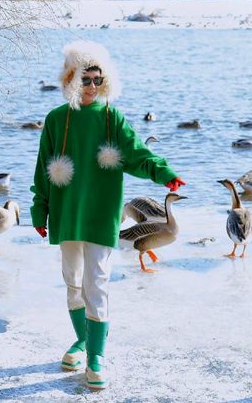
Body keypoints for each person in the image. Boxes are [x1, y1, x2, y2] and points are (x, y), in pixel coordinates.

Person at [30, 41, 185, 390]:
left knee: (96, 282)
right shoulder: (57, 119)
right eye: (85, 80)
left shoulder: (113, 118)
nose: (92, 87)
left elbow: (138, 154)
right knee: (72, 282)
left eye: (98, 80)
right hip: (68, 212)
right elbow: (42, 170)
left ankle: (95, 357)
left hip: (101, 212)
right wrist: (40, 210)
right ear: (71, 79)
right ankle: (82, 340)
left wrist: (165, 173)